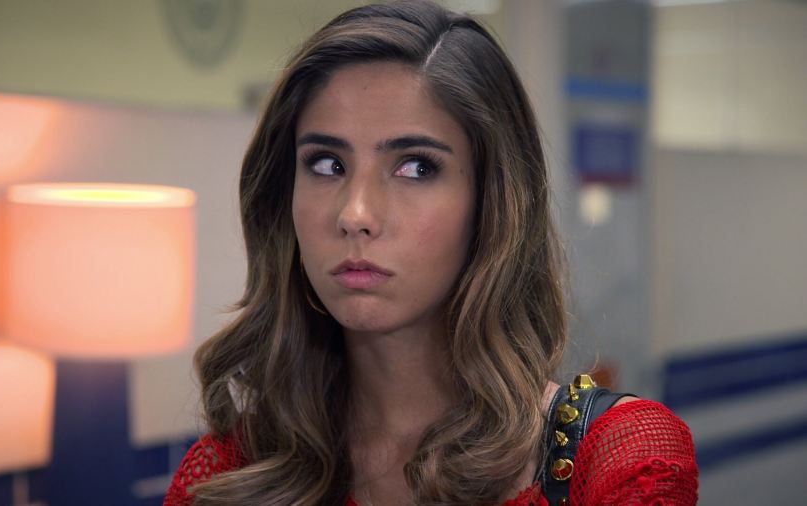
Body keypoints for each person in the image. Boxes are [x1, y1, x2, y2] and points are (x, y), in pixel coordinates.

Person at [164, 1, 698, 504]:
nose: (355, 214)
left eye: (416, 167)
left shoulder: (617, 458)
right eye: (327, 164)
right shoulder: (230, 472)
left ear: (491, 202)